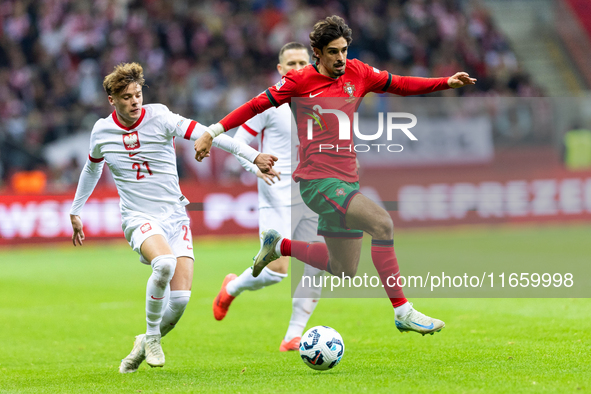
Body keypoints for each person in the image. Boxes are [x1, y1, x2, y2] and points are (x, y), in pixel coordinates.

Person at [195, 15, 476, 336]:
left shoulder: (358, 71)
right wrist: (213, 131)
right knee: (382, 224)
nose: (340, 57)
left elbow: (399, 83)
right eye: (333, 52)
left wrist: (445, 82)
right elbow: (255, 105)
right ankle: (403, 311)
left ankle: (280, 247)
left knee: (344, 269)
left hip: (346, 178)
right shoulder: (299, 81)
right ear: (318, 52)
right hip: (317, 180)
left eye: (343, 50)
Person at [69, 62, 277, 373]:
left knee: (179, 301)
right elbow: (92, 167)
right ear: (112, 100)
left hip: (175, 216)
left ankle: (143, 342)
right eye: (126, 97)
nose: (135, 101)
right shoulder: (102, 131)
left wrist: (253, 156)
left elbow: (209, 134)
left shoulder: (161, 117)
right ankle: (152, 337)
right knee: (163, 263)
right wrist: (75, 209)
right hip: (138, 217)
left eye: (138, 94)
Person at [212, 42, 325, 352]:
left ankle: (293, 335)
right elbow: (238, 142)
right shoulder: (269, 102)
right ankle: (232, 288)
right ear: (280, 69)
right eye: (291, 63)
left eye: (303, 62)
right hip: (275, 192)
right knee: (277, 272)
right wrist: (254, 166)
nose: (298, 68)